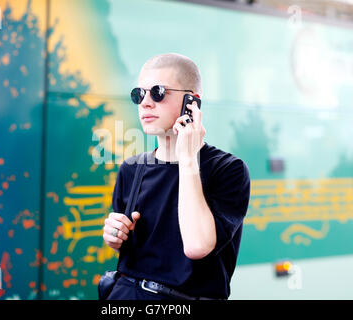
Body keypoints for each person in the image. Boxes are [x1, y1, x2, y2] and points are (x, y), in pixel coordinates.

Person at [102, 53, 251, 300]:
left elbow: (197, 246)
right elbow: (130, 247)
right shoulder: (132, 168)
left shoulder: (228, 169)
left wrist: (188, 158)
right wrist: (115, 236)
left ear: (192, 101)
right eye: (139, 94)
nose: (146, 103)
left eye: (158, 92)